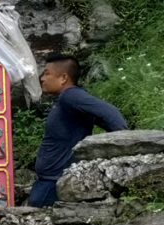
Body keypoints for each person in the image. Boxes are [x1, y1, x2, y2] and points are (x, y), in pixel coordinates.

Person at [30, 53, 128, 207]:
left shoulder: (71, 96)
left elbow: (110, 113)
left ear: (63, 78)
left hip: (54, 183)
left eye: (47, 73)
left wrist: (123, 144)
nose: (42, 78)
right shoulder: (67, 101)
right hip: (50, 182)